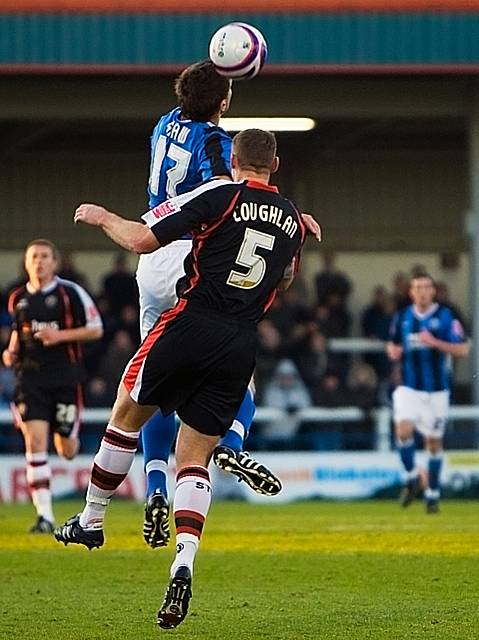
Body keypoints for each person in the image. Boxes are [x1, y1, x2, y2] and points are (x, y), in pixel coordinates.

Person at [54, 129, 309, 629]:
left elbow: (141, 239)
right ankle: (183, 562)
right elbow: (283, 280)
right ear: (275, 165)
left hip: (191, 322)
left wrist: (103, 216)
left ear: (233, 160)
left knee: (126, 414)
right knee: (193, 460)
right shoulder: (295, 222)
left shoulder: (219, 194)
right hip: (240, 342)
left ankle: (92, 519)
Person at [136, 60, 286, 550]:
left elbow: (196, 98)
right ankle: (233, 444)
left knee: (153, 385)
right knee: (232, 363)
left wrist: (206, 78)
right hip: (192, 252)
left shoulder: (163, 123)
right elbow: (232, 195)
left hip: (151, 261)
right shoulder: (220, 145)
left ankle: (155, 488)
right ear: (224, 102)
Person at [2, 239, 103, 532]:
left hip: (65, 379)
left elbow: (96, 329)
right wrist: (10, 352)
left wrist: (60, 337)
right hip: (30, 379)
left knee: (67, 449)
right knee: (34, 443)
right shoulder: (17, 298)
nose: (39, 262)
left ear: (55, 263)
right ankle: (45, 516)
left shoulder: (70, 293)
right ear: (26, 262)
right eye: (34, 256)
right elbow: (17, 334)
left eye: (45, 256)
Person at [386, 272, 469, 514]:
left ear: (434, 291)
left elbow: (462, 349)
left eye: (426, 287)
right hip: (408, 387)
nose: (422, 291)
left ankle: (432, 496)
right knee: (402, 430)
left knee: (433, 443)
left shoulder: (445, 317)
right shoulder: (402, 317)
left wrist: (435, 343)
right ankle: (413, 477)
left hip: (436, 390)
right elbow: (392, 343)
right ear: (411, 293)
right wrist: (393, 351)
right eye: (418, 287)